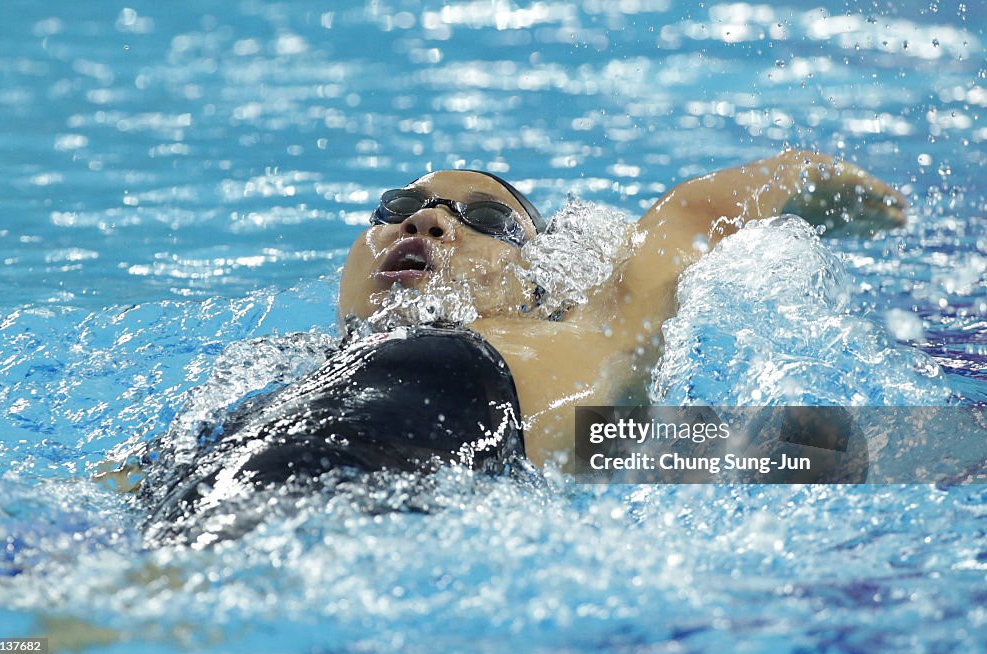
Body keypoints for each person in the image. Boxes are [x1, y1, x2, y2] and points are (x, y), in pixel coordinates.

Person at [120, 150, 905, 543]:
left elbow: (693, 213)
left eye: (483, 220)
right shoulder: (269, 380)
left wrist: (873, 202)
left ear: (539, 282)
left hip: (335, 501)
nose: (427, 222)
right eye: (403, 205)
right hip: (248, 510)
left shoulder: (577, 330)